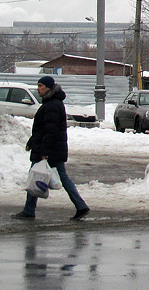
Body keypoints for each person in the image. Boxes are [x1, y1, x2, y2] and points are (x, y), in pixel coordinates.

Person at [11, 76, 90, 222]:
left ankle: (30, 211)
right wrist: (32, 141)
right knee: (45, 176)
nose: (38, 88)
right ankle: (80, 206)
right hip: (50, 148)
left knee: (38, 176)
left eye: (40, 85)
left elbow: (50, 130)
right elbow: (42, 129)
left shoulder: (52, 105)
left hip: (49, 150)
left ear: (48, 88)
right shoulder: (51, 103)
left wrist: (44, 152)